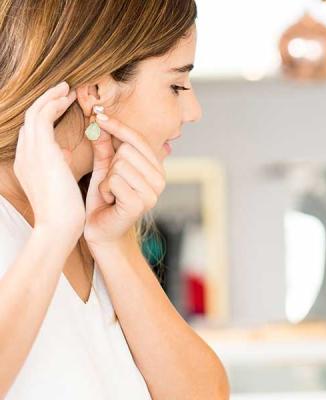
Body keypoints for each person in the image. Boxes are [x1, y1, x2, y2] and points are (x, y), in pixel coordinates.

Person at [0, 1, 229, 399]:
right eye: (176, 85)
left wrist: (114, 244)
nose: (193, 111)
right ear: (95, 91)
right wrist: (53, 234)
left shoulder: (97, 230)